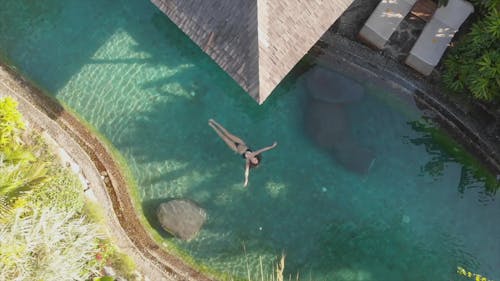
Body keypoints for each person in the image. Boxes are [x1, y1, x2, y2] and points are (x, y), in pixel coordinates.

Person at [208, 119, 277, 187]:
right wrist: (271, 146)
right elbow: (263, 149)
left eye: (254, 161)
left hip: (235, 148)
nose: (254, 160)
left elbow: (246, 172)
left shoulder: (247, 161)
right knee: (227, 134)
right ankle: (214, 122)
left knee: (224, 138)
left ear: (252, 162)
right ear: (256, 158)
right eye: (256, 160)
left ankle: (212, 126)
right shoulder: (254, 153)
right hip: (241, 143)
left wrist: (246, 180)